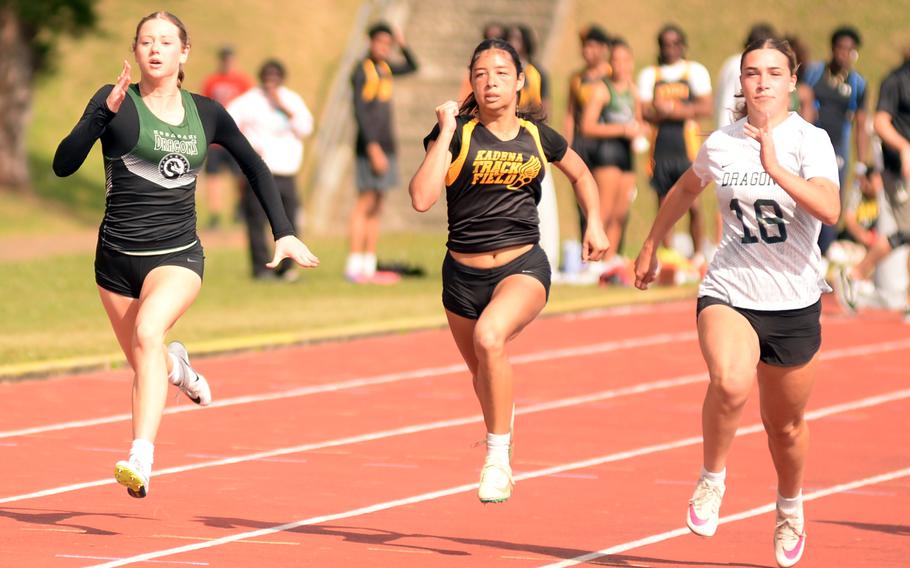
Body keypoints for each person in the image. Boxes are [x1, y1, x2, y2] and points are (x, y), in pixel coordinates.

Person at [52, 12, 319, 499]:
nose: (155, 49)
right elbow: (63, 165)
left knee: (148, 333)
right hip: (114, 262)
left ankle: (141, 458)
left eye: (165, 41)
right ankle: (180, 369)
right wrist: (100, 116)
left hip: (177, 257)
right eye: (146, 42)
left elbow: (255, 166)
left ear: (184, 51)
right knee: (147, 360)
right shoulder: (114, 101)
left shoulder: (207, 112)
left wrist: (283, 232)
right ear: (135, 50)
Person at [634, 38, 839, 567]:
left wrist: (776, 168)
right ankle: (712, 478)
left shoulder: (810, 141)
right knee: (729, 381)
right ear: (741, 82)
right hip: (729, 288)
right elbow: (686, 189)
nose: (762, 82)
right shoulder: (721, 143)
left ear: (792, 80)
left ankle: (789, 507)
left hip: (793, 301)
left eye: (773, 72)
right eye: (752, 73)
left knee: (785, 427)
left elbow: (830, 209)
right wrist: (652, 243)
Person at [410, 38, 609, 503]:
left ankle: (497, 459)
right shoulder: (456, 134)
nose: (491, 82)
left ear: (520, 81)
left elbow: (581, 173)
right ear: (470, 82)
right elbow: (421, 198)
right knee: (482, 375)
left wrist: (595, 222)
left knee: (489, 338)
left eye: (501, 73)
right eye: (480, 74)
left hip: (522, 267)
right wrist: (445, 130)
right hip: (461, 278)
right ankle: (501, 423)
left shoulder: (537, 136)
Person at [836, 44, 910, 322]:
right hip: (900, 171)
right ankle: (855, 274)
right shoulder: (897, 80)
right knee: (906, 232)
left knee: (905, 234)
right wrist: (904, 148)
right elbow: (880, 122)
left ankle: (856, 275)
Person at [345, 22, 418, 283]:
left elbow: (413, 66)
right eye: (380, 43)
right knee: (364, 203)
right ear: (370, 42)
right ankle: (354, 264)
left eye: (388, 44)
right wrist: (373, 147)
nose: (384, 48)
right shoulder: (362, 70)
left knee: (378, 205)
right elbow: (359, 111)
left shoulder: (384, 68)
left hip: (388, 145)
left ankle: (369, 262)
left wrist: (403, 43)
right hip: (370, 146)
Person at [228, 59, 314, 281]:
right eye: (267, 78)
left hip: (286, 171)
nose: (271, 83)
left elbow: (306, 128)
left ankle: (288, 268)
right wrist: (245, 147)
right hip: (259, 171)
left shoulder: (291, 99)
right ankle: (261, 268)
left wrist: (282, 106)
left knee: (289, 222)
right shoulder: (249, 100)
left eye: (275, 78)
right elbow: (227, 123)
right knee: (257, 221)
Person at [638, 24, 713, 266]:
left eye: (674, 44)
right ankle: (668, 254)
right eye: (665, 44)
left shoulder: (695, 71)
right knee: (664, 204)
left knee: (694, 204)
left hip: (687, 148)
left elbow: (706, 107)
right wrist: (661, 112)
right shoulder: (650, 75)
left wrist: (672, 109)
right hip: (660, 147)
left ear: (683, 46)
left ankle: (698, 254)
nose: (670, 49)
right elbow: (644, 110)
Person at [803, 26, 870, 256]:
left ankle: (825, 250)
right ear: (832, 49)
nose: (844, 54)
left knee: (831, 197)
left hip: (838, 148)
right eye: (840, 48)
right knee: (806, 193)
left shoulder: (858, 84)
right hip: (810, 144)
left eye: (849, 50)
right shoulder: (814, 73)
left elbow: (861, 124)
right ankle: (805, 247)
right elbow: (803, 100)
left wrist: (862, 163)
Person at [579, 37, 646, 265]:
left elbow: (639, 120)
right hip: (607, 152)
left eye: (626, 60)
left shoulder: (633, 91)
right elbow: (587, 126)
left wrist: (641, 130)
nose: (621, 65)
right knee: (604, 211)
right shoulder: (602, 90)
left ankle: (610, 259)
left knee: (620, 212)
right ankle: (590, 261)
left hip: (627, 153)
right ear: (610, 63)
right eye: (616, 60)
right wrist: (621, 130)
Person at [508, 24, 561, 275]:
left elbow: (543, 109)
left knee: (543, 202)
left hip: (531, 141)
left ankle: (548, 256)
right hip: (508, 142)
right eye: (510, 39)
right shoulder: (504, 73)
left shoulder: (536, 73)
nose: (515, 44)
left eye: (518, 39)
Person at [199, 45, 254, 229]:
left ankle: (240, 208)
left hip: (235, 136)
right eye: (224, 58)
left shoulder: (242, 82)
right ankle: (215, 213)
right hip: (215, 139)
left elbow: (250, 107)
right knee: (213, 177)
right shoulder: (212, 81)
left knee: (239, 176)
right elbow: (204, 106)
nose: (227, 62)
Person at [716, 23, 776, 129]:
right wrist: (725, 130)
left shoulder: (733, 63)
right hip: (736, 126)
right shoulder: (736, 64)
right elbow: (727, 101)